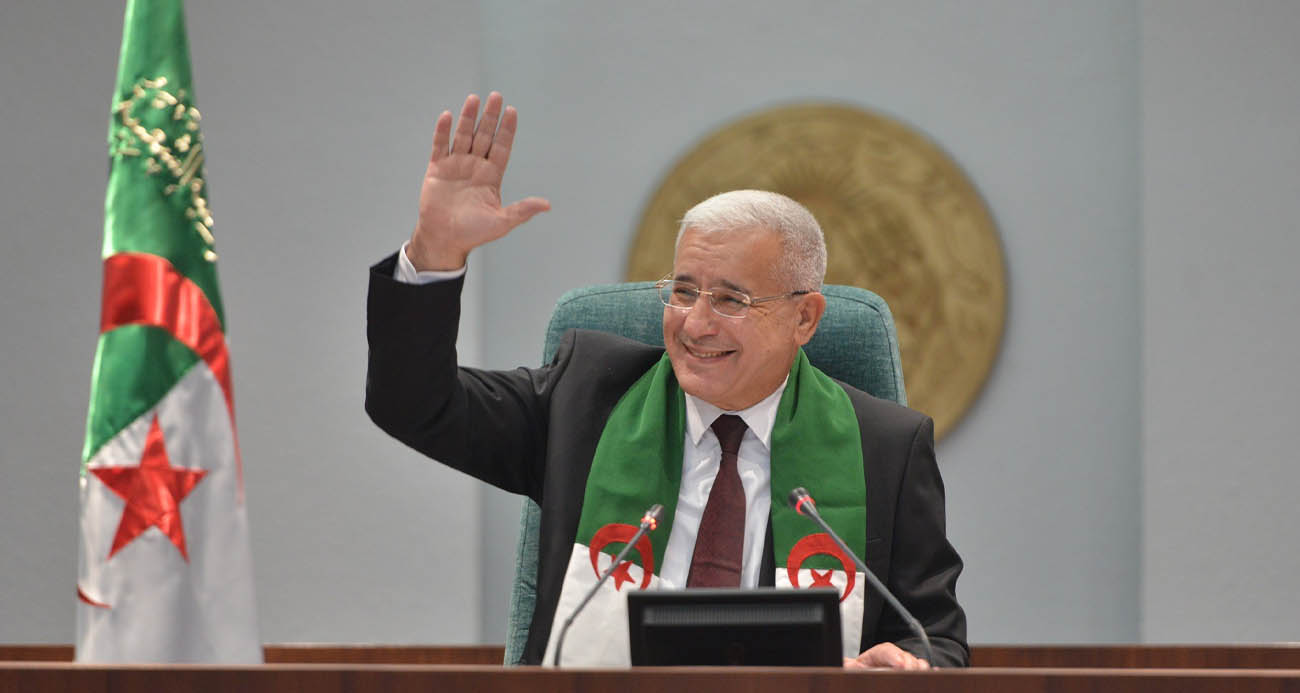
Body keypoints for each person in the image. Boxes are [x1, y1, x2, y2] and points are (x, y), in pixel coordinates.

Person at [365, 92, 967, 668]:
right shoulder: (584, 401)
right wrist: (435, 253)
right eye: (683, 291)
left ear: (804, 318)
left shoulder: (886, 448)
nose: (695, 324)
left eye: (730, 300)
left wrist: (901, 669)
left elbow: (934, 639)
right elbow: (413, 405)